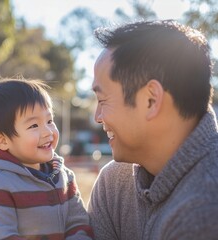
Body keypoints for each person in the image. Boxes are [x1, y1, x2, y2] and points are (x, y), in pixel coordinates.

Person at [88, 19, 218, 240]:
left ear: (150, 100)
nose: (97, 117)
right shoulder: (114, 184)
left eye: (102, 100)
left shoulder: (204, 209)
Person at [0, 79, 93, 239]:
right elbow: (5, 236)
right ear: (2, 140)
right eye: (34, 126)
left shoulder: (64, 176)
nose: (48, 132)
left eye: (49, 121)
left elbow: (78, 225)